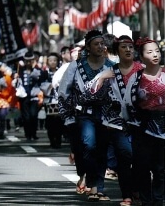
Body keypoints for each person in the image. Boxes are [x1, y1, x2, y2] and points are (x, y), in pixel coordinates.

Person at [86, 35, 143, 206]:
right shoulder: (110, 71)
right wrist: (102, 78)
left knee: (140, 159)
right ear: (117, 51)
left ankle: (138, 191)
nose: (128, 50)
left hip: (141, 122)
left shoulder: (143, 69)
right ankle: (127, 195)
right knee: (125, 156)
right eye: (124, 47)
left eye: (130, 47)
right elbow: (90, 91)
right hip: (115, 122)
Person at [58, 30, 115, 201]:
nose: (100, 47)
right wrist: (67, 117)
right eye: (96, 44)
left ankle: (99, 188)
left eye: (102, 43)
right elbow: (63, 92)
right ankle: (92, 183)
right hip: (83, 114)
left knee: (102, 149)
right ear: (88, 47)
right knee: (88, 145)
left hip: (105, 113)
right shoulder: (76, 66)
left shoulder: (110, 65)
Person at [132, 37, 164, 205]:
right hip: (142, 126)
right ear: (142, 56)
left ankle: (158, 200)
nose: (155, 54)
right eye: (150, 52)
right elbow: (127, 103)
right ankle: (146, 200)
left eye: (157, 51)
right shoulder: (136, 78)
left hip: (163, 125)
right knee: (143, 166)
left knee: (160, 168)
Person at [13, 50, 48, 141]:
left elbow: (43, 77)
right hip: (23, 97)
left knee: (33, 115)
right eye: (26, 61)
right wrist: (16, 77)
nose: (28, 63)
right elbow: (15, 83)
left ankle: (34, 133)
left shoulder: (38, 70)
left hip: (34, 96)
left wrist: (34, 69)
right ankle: (27, 134)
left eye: (30, 60)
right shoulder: (20, 70)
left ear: (33, 60)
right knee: (26, 117)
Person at [43, 52, 63, 148]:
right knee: (50, 122)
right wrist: (50, 86)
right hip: (49, 100)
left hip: (59, 100)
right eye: (50, 60)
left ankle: (58, 139)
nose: (53, 62)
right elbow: (42, 86)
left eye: (55, 60)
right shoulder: (45, 73)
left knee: (59, 121)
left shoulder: (61, 72)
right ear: (47, 62)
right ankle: (52, 140)